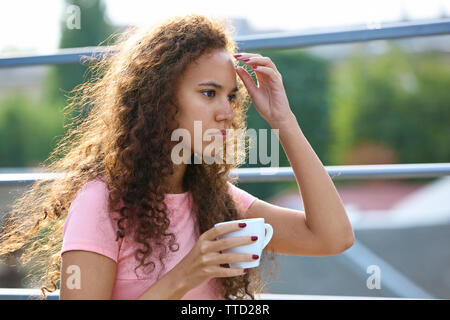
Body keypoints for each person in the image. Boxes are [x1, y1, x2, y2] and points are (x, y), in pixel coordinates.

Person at [0, 14, 354, 300]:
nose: (226, 112)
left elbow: (332, 237)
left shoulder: (215, 199)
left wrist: (283, 121)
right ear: (158, 100)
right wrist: (185, 275)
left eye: (230, 96)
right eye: (208, 93)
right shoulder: (100, 203)